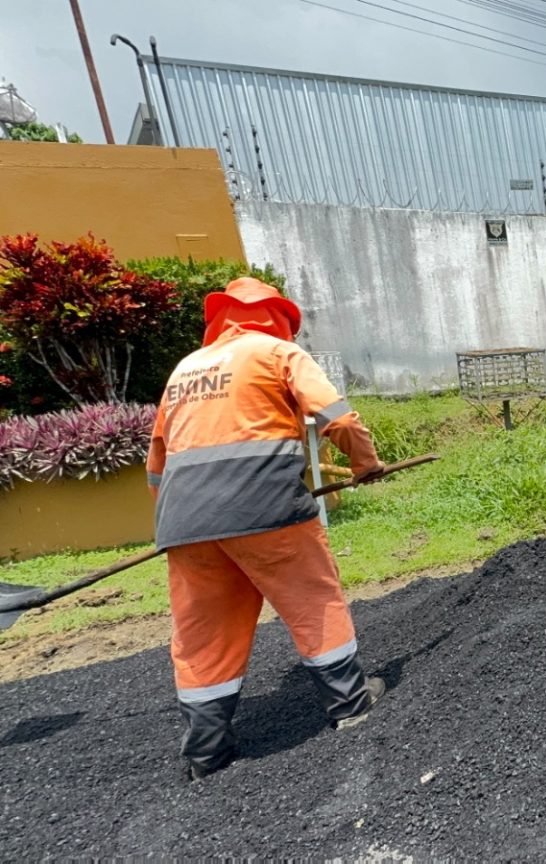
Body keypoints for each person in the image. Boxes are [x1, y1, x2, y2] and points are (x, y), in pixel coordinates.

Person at [146, 277, 387, 780]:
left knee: (203, 632)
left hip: (184, 522)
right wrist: (365, 464)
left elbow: (156, 464)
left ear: (220, 318)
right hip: (267, 512)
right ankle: (349, 705)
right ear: (278, 318)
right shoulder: (276, 353)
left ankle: (207, 753)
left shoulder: (184, 369)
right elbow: (338, 420)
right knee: (312, 599)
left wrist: (185, 522)